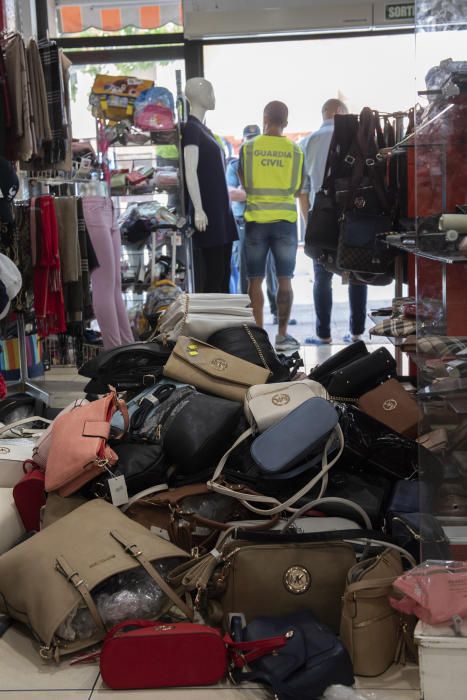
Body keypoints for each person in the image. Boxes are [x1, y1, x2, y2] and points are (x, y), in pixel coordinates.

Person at [299, 98, 368, 345]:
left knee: (322, 275)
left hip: (322, 214)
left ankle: (324, 334)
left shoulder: (307, 142)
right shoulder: (357, 136)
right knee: (357, 272)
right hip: (353, 212)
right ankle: (358, 332)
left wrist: (309, 223)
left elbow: (304, 191)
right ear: (339, 112)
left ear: (324, 113)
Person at [240, 101, 303, 352]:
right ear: (285, 122)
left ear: (264, 118)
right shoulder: (296, 151)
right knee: (285, 280)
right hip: (285, 222)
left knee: (254, 281)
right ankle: (282, 335)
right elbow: (297, 188)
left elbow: (245, 184)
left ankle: (258, 338)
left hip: (256, 220)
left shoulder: (249, 148)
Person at [227, 125, 281, 321]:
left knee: (272, 270)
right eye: (248, 139)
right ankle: (246, 314)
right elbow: (232, 193)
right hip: (244, 224)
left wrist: (247, 192)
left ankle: (276, 311)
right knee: (245, 272)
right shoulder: (234, 165)